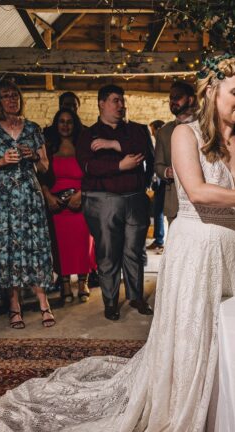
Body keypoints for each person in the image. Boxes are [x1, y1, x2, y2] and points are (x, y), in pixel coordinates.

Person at [0, 54, 235, 432]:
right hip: (199, 250)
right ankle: (187, 421)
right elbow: (199, 192)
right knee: (195, 334)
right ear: (211, 92)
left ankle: (228, 421)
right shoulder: (185, 134)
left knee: (233, 338)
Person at [0, 77, 54, 329]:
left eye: (15, 95)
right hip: (2, 198)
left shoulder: (32, 128)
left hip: (30, 196)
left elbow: (45, 165)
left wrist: (33, 157)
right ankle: (14, 306)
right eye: (6, 96)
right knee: (7, 249)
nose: (12, 100)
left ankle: (44, 304)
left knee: (36, 246)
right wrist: (0, 161)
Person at [76, 84, 154, 321]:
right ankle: (110, 301)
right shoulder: (87, 135)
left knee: (134, 250)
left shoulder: (137, 130)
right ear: (101, 103)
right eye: (115, 101)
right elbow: (89, 167)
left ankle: (135, 296)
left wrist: (113, 146)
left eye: (122, 101)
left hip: (135, 198)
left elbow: (144, 153)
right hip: (103, 201)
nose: (121, 105)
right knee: (108, 252)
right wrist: (120, 165)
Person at [40, 108, 96, 304]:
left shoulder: (83, 147)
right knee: (60, 246)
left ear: (75, 124)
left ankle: (83, 283)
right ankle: (64, 285)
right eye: (61, 122)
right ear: (56, 125)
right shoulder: (48, 148)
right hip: (57, 206)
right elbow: (41, 177)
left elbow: (92, 175)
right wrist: (48, 197)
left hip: (80, 203)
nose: (65, 125)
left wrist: (80, 195)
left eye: (69, 122)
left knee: (83, 243)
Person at [154, 80, 196, 226]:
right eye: (171, 98)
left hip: (203, 205)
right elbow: (157, 165)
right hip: (174, 204)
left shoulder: (205, 128)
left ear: (190, 99)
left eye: (177, 97)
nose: (173, 101)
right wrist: (167, 172)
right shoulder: (164, 132)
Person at [147, 119, 166, 250]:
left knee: (158, 210)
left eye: (153, 131)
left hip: (164, 180)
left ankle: (159, 240)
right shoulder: (161, 142)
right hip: (161, 180)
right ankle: (158, 239)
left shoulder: (163, 142)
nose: (152, 134)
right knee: (158, 210)